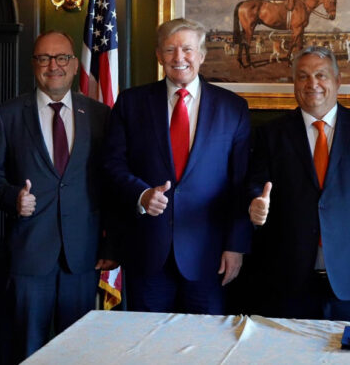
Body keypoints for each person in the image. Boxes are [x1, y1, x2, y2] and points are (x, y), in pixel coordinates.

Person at [247, 46, 350, 321]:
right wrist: (254, 205)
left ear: (337, 80)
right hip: (287, 278)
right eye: (303, 76)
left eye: (321, 75)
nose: (312, 84)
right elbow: (255, 186)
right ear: (294, 83)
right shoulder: (270, 134)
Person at [103, 18, 251, 315]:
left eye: (187, 49)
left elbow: (241, 182)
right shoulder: (131, 103)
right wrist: (141, 194)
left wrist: (235, 245)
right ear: (159, 55)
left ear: (202, 55)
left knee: (204, 341)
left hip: (208, 256)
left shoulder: (232, 107)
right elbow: (112, 164)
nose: (178, 57)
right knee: (148, 340)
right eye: (170, 50)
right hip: (147, 252)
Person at [0, 30, 116, 363]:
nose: (53, 66)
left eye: (61, 58)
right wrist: (12, 197)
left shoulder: (100, 115)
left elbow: (110, 184)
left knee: (77, 352)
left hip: (83, 257)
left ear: (74, 65)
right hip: (29, 255)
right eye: (44, 58)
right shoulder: (7, 115)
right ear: (34, 64)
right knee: (27, 350)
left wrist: (111, 245)